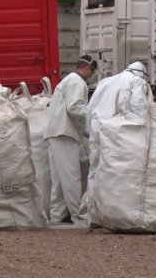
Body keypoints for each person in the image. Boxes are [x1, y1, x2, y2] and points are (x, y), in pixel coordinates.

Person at [85, 61, 148, 216]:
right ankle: (113, 212)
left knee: (94, 169)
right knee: (115, 171)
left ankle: (91, 212)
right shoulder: (137, 81)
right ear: (141, 74)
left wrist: (89, 131)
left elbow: (89, 108)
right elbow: (139, 108)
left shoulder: (105, 81)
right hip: (115, 132)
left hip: (96, 127)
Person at [44, 55, 97, 224]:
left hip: (56, 133)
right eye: (93, 72)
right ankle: (78, 215)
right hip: (64, 134)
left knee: (59, 179)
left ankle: (56, 215)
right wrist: (93, 113)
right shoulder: (77, 82)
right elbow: (74, 107)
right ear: (88, 68)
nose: (92, 75)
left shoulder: (70, 80)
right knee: (71, 176)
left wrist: (88, 133)